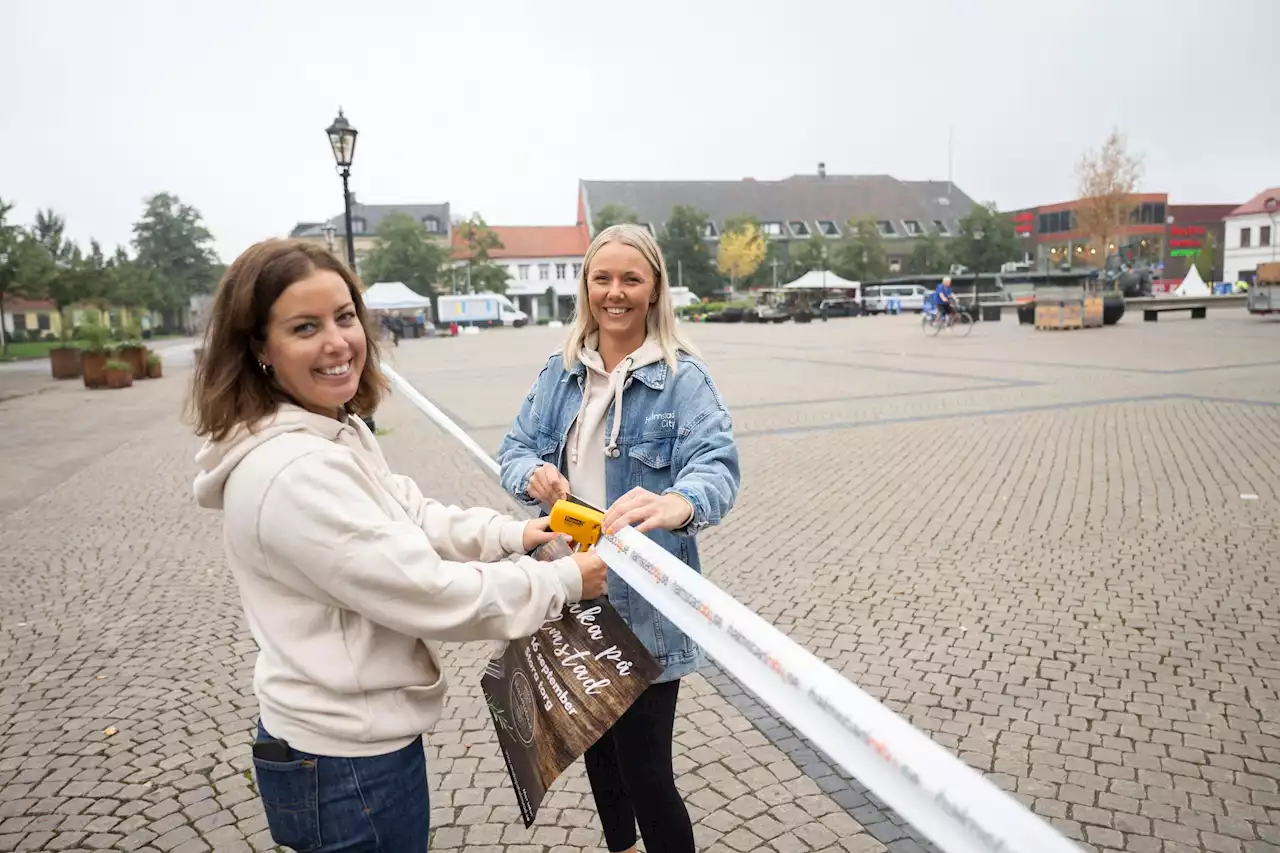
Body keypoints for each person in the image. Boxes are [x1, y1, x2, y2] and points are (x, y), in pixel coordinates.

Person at [189, 238, 607, 853]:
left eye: (344, 316)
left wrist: (514, 534)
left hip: (348, 744)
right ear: (259, 348)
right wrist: (563, 582)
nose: (337, 342)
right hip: (346, 761)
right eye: (305, 327)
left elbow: (409, 514)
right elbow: (426, 592)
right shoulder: (294, 472)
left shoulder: (332, 429)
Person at [498, 224, 740, 853]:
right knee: (600, 756)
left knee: (646, 772)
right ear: (585, 286)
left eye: (631, 279)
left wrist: (677, 503)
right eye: (602, 278)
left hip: (647, 603)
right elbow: (515, 449)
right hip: (575, 587)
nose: (615, 293)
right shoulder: (561, 371)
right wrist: (533, 472)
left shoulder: (684, 379)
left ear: (655, 287)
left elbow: (716, 465)